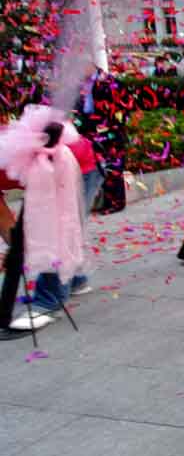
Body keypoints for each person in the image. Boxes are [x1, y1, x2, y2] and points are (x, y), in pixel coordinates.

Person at [27, 131, 101, 320]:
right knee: (60, 231)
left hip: (76, 165)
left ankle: (48, 300)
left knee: (60, 232)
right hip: (53, 165)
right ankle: (75, 280)